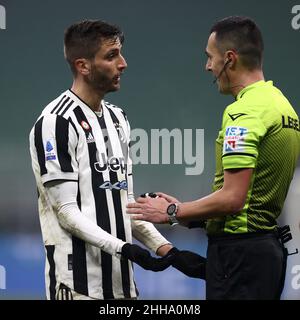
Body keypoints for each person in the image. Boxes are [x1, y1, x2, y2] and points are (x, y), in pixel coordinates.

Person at [29, 19, 205, 300]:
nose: (122, 63)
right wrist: (125, 248)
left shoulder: (118, 118)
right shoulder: (56, 122)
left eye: (120, 53)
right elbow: (66, 211)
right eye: (111, 56)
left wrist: (168, 251)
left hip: (123, 285)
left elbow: (126, 203)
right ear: (83, 66)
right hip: (77, 287)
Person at [127, 16, 300, 300]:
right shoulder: (283, 105)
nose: (208, 66)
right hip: (264, 253)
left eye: (210, 57)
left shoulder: (244, 113)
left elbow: (233, 199)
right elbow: (252, 201)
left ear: (229, 59)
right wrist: (188, 215)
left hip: (239, 256)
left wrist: (171, 213)